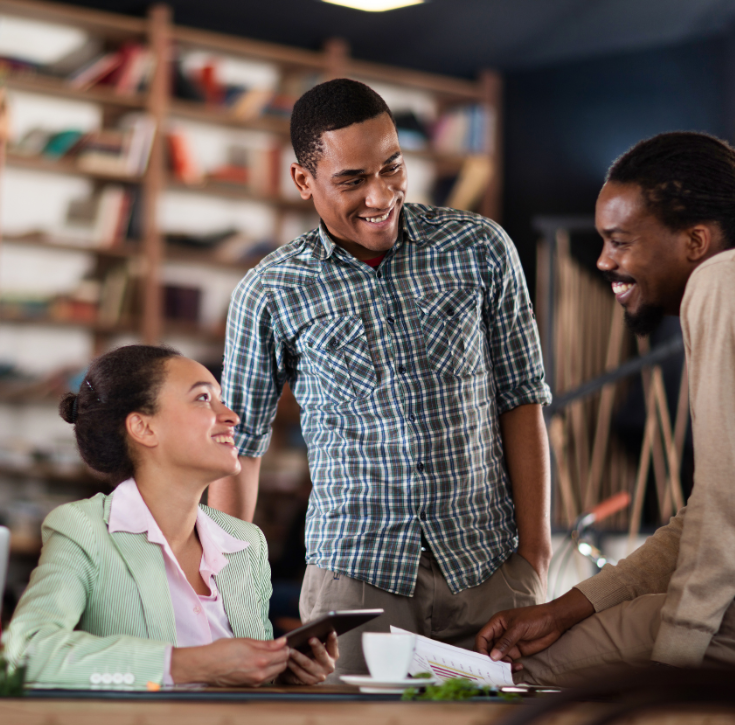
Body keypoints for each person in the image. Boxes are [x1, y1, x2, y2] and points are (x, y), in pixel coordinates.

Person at [208, 78, 552, 677]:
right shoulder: (268, 291)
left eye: (392, 168)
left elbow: (522, 401)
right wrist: (236, 604)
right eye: (351, 180)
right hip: (355, 584)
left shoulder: (481, 248)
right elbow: (238, 449)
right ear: (303, 181)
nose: (380, 194)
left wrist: (535, 554)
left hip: (490, 573)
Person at [476, 131, 735, 686]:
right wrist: (562, 609)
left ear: (695, 241)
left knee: (500, 674)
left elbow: (725, 509)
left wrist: (675, 658)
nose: (602, 261)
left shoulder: (719, 282)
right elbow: (705, 516)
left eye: (620, 241)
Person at [6, 345, 337, 689]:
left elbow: (249, 684)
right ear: (143, 428)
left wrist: (281, 673)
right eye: (203, 399)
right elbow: (26, 654)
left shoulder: (246, 543)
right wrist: (190, 664)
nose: (230, 416)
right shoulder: (84, 529)